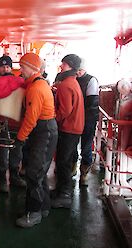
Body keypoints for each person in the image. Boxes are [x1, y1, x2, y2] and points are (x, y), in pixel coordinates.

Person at [15, 53, 58, 228]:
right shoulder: (38, 84)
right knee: (39, 171)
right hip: (45, 130)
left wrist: (20, 138)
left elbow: (30, 119)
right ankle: (44, 207)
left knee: (34, 173)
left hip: (44, 132)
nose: (21, 70)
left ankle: (34, 213)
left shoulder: (36, 88)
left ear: (33, 68)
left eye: (23, 67)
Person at [51, 54, 85, 208]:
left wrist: (52, 120)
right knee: (66, 160)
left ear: (70, 66)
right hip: (75, 128)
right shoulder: (73, 82)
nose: (61, 67)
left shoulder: (65, 85)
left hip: (68, 128)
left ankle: (64, 195)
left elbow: (64, 111)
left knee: (62, 162)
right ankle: (61, 190)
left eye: (63, 64)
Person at [0, 55, 26, 193]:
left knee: (16, 153)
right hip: (1, 125)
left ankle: (14, 177)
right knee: (2, 154)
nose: (5, 69)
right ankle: (2, 181)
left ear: (11, 68)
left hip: (17, 124)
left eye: (7, 66)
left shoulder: (20, 82)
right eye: (2, 66)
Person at [73, 59, 99, 186]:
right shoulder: (73, 79)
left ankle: (84, 173)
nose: (78, 72)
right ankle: (72, 168)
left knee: (86, 146)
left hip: (88, 119)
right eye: (76, 70)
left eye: (80, 70)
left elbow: (92, 103)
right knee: (72, 145)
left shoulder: (91, 81)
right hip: (76, 117)